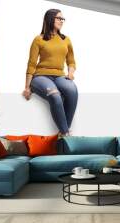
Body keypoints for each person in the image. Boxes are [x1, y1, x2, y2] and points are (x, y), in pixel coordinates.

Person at [23, 9, 78, 137]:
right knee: (55, 95)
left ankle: (63, 130)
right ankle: (65, 133)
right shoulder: (38, 39)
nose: (61, 21)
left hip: (60, 75)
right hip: (40, 77)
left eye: (62, 19)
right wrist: (27, 87)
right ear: (50, 19)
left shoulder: (66, 40)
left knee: (72, 91)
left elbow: (71, 61)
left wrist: (70, 73)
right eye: (59, 18)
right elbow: (31, 64)